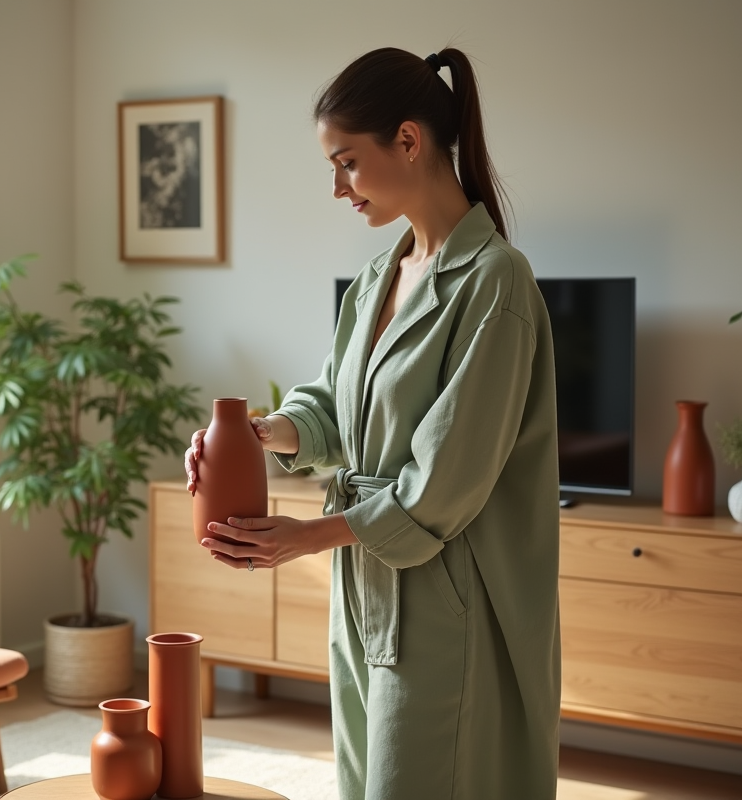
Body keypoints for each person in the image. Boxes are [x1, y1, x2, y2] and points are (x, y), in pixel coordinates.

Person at [184, 46, 560, 799]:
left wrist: (308, 537)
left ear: (410, 141)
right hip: (366, 588)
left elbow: (444, 479)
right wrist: (258, 435)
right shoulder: (376, 279)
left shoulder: (495, 284)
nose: (337, 187)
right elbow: (329, 404)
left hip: (450, 598)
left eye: (347, 162)